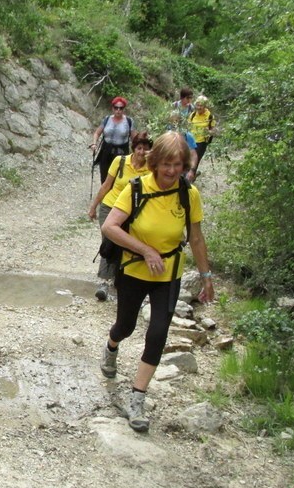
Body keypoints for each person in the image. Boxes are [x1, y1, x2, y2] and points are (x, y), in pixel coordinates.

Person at [99, 131, 214, 433]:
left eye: (177, 164)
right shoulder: (135, 188)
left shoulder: (189, 194)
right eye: (166, 164)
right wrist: (145, 249)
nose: (172, 170)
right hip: (134, 270)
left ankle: (138, 398)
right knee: (125, 326)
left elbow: (197, 238)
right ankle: (111, 347)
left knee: (159, 332)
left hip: (169, 273)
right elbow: (111, 226)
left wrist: (206, 276)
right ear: (154, 162)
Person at [88, 131, 153, 301]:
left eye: (145, 149)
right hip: (110, 207)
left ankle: (120, 280)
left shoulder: (151, 169)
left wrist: (153, 158)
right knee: (109, 242)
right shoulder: (120, 161)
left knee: (125, 243)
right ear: (134, 148)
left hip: (132, 212)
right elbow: (106, 185)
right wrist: (94, 206)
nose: (141, 152)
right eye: (139, 148)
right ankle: (104, 282)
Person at [90, 97, 135, 182]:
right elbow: (97, 133)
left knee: (117, 178)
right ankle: (105, 194)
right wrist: (94, 144)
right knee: (104, 175)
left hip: (121, 153)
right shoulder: (107, 119)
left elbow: (135, 140)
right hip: (105, 151)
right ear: (112, 108)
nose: (118, 110)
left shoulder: (129, 121)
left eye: (121, 108)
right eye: (116, 107)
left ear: (123, 109)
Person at [188, 95, 218, 173]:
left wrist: (209, 132)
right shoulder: (193, 114)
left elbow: (214, 131)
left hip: (201, 143)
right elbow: (187, 126)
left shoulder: (210, 116)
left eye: (201, 105)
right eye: (197, 105)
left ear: (205, 106)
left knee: (194, 163)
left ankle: (190, 179)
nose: (199, 107)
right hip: (190, 141)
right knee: (186, 161)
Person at [166, 111, 198, 183]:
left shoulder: (187, 136)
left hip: (183, 169)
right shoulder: (166, 135)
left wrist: (192, 171)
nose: (174, 124)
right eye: (172, 122)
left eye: (177, 121)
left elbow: (194, 155)